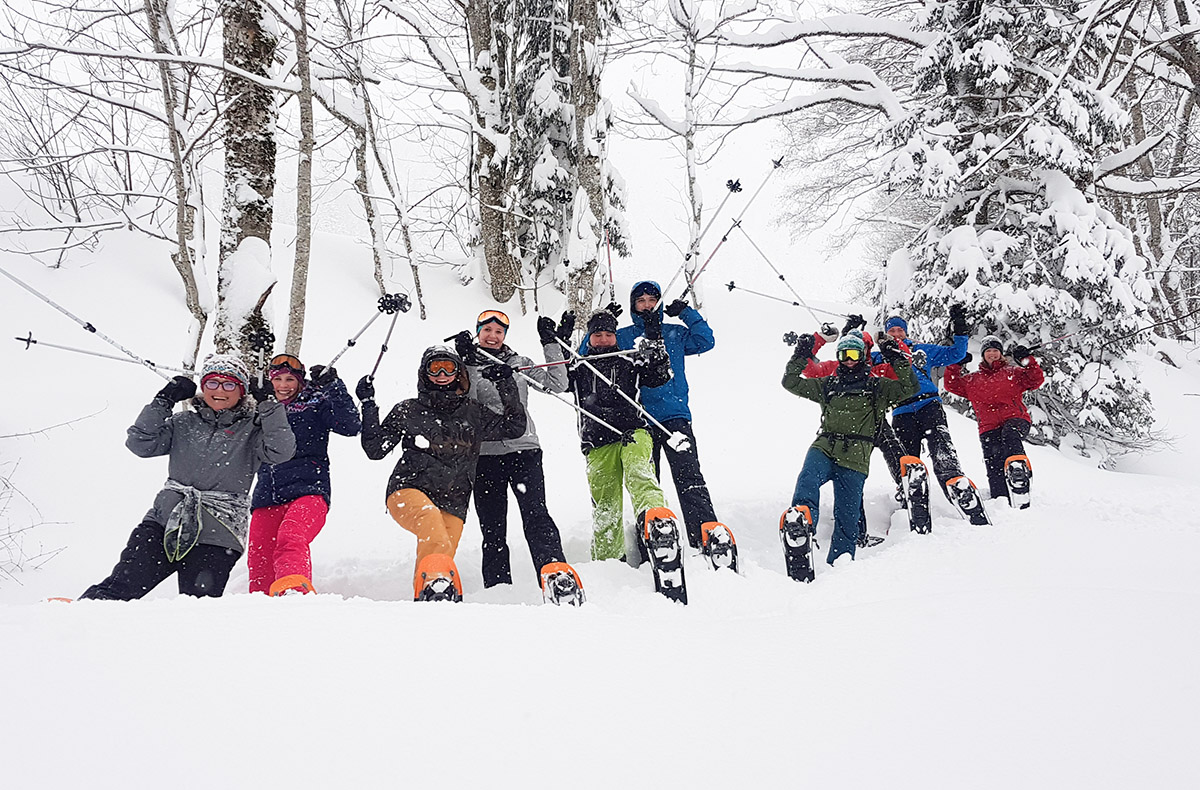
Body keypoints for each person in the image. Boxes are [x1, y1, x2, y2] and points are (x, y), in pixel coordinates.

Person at [79, 354, 296, 601]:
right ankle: (73, 618)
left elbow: (281, 451)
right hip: (163, 523)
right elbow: (139, 443)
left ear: (242, 390)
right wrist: (163, 400)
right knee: (120, 589)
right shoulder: (182, 423)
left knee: (196, 606)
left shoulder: (253, 430)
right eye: (212, 383)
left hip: (219, 533)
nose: (220, 391)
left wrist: (269, 405)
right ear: (203, 387)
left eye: (229, 384)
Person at [358, 345, 526, 602]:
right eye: (434, 367)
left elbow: (514, 427)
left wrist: (506, 384)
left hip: (454, 500)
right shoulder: (409, 410)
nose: (442, 374)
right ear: (424, 373)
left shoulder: (473, 412)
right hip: (408, 489)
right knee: (430, 523)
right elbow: (375, 449)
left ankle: (429, 599)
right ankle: (435, 587)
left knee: (440, 554)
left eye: (448, 367)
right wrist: (368, 405)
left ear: (459, 373)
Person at [450, 309, 583, 605]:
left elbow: (558, 384)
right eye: (487, 330)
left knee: (536, 515)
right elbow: (462, 406)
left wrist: (550, 342)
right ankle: (498, 589)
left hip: (524, 451)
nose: (493, 336)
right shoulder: (466, 364)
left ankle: (554, 571)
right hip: (485, 456)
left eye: (499, 331)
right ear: (478, 332)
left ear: (505, 336)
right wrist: (467, 362)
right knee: (493, 526)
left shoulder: (519, 363)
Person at [605, 280, 736, 569]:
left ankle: (705, 536)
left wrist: (687, 313)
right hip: (639, 421)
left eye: (652, 299)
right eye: (641, 301)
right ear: (633, 306)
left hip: (676, 416)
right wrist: (607, 321)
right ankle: (650, 540)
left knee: (690, 477)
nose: (647, 305)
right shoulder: (624, 337)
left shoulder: (674, 333)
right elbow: (592, 354)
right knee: (648, 484)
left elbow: (706, 341)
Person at [569, 309, 686, 601]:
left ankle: (658, 525)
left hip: (633, 432)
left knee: (640, 475)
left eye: (609, 334)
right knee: (606, 505)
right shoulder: (581, 366)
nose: (605, 339)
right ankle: (610, 564)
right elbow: (557, 381)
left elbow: (660, 377)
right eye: (598, 334)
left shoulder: (629, 360)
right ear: (590, 337)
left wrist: (656, 345)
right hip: (597, 442)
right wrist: (552, 339)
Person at [780, 334, 917, 578]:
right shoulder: (828, 385)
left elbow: (909, 387)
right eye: (844, 355)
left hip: (856, 456)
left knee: (847, 516)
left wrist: (896, 359)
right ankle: (801, 521)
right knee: (808, 478)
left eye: (854, 354)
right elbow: (790, 383)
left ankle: (839, 565)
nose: (850, 361)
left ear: (862, 356)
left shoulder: (877, 387)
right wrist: (800, 356)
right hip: (825, 446)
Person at [247, 355, 361, 596]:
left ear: (300, 381)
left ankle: (294, 590)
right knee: (260, 557)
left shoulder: (315, 403)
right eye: (278, 379)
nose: (284, 386)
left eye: (290, 379)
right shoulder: (260, 408)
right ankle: (259, 608)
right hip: (267, 495)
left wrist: (334, 386)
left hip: (309, 491)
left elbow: (350, 425)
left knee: (291, 535)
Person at [873, 309, 987, 522]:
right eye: (892, 331)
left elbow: (955, 354)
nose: (897, 333)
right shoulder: (880, 355)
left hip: (928, 403)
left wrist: (960, 331)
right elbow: (856, 360)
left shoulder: (920, 350)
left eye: (900, 330)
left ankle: (954, 480)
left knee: (940, 443)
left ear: (906, 332)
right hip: (901, 409)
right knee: (906, 456)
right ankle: (907, 487)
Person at [943, 335, 1044, 508]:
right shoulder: (972, 380)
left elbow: (1035, 379)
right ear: (983, 355)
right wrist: (956, 364)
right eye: (988, 351)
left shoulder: (1013, 373)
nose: (992, 354)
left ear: (1001, 353)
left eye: (996, 350)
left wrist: (1026, 360)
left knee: (1010, 434)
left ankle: (1018, 470)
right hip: (988, 427)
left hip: (1016, 420)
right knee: (994, 462)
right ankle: (1000, 499)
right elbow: (951, 385)